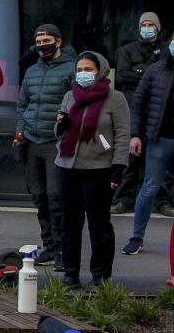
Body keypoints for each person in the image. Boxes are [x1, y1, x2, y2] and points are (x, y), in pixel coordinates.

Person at [54, 52, 128, 287]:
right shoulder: (69, 95)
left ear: (100, 71)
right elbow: (59, 131)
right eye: (80, 69)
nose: (83, 73)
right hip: (68, 166)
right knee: (70, 224)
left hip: (100, 168)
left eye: (88, 69)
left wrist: (118, 168)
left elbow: (123, 135)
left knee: (99, 224)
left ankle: (101, 277)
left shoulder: (115, 98)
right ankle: (70, 273)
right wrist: (61, 125)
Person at [12, 23, 74, 264]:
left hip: (55, 141)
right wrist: (20, 130)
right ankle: (49, 245)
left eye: (46, 41)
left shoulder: (70, 68)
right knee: (39, 196)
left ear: (58, 41)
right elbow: (21, 104)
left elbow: (75, 105)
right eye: (38, 42)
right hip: (31, 140)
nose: (42, 46)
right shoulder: (32, 71)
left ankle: (61, 249)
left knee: (55, 196)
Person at [112, 11, 164, 214]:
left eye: (151, 24)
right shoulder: (126, 50)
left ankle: (162, 201)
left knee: (159, 160)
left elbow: (165, 74)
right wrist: (149, 73)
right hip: (132, 110)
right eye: (145, 24)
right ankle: (124, 199)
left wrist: (139, 71)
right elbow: (123, 76)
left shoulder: (165, 50)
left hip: (158, 113)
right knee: (130, 158)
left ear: (158, 28)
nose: (147, 28)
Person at [125, 45, 174, 257]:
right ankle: (136, 237)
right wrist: (135, 135)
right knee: (150, 187)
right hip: (159, 138)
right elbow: (137, 104)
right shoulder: (156, 70)